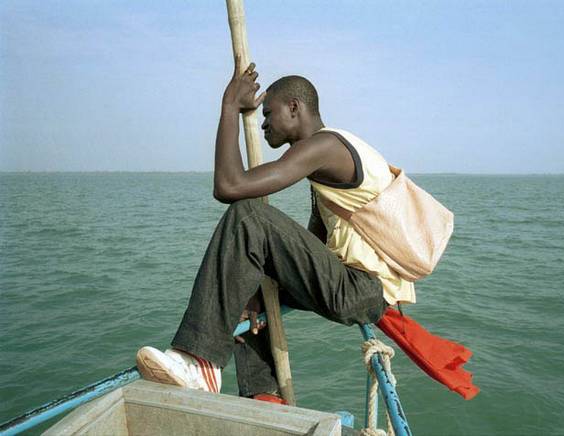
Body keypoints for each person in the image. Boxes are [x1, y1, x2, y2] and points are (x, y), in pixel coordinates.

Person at [136, 55, 415, 401]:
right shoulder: (327, 165)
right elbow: (312, 248)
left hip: (362, 289)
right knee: (243, 284)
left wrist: (228, 108)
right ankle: (263, 395)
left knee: (248, 216)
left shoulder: (325, 146)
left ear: (295, 108)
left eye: (268, 114)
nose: (263, 124)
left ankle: (199, 363)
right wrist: (253, 287)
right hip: (354, 286)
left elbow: (229, 186)